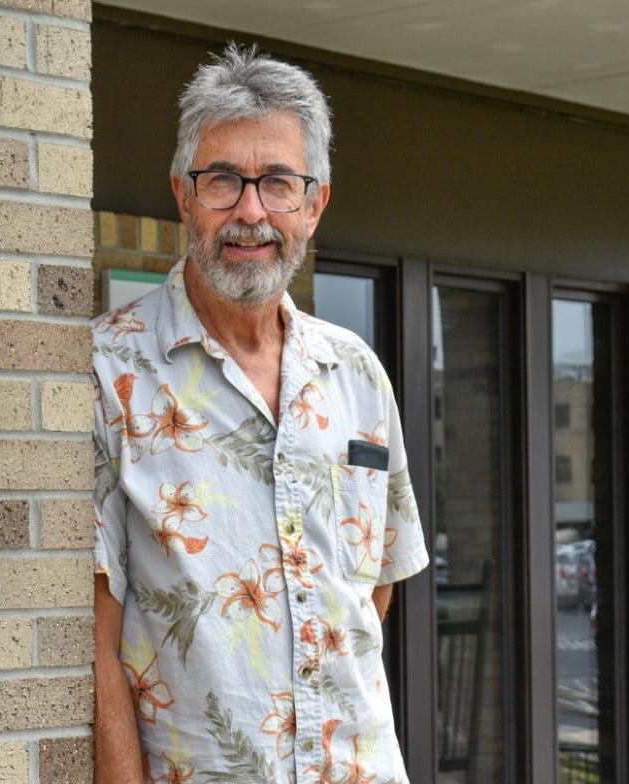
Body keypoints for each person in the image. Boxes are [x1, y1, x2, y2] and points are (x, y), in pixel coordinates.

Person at [91, 44, 429, 783]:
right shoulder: (110, 370)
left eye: (278, 182)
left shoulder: (357, 374)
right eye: (224, 181)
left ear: (315, 203)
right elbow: (95, 635)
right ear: (183, 195)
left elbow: (374, 584)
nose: (251, 212)